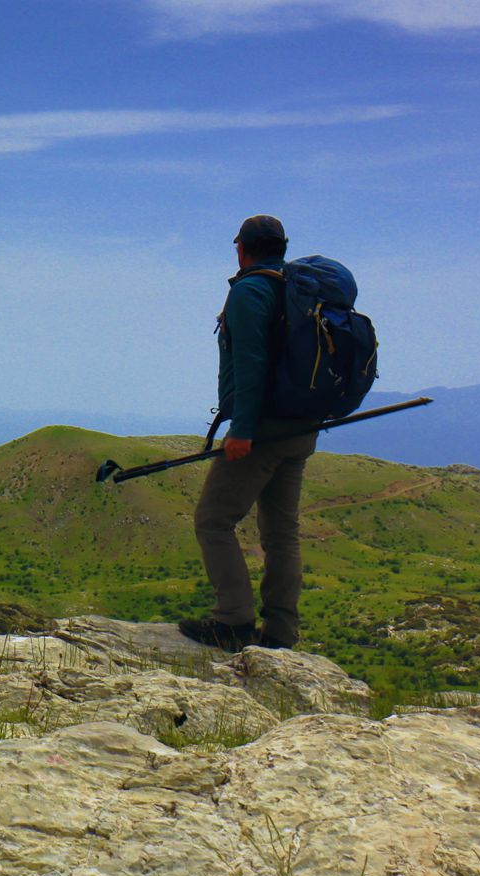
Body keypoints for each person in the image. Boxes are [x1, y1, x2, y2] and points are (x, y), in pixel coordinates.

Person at [178, 215, 315, 651]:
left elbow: (252, 364)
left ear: (243, 248)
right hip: (303, 425)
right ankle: (280, 634)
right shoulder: (296, 289)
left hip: (264, 430)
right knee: (281, 533)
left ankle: (234, 621)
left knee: (213, 521)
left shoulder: (250, 291)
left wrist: (243, 429)